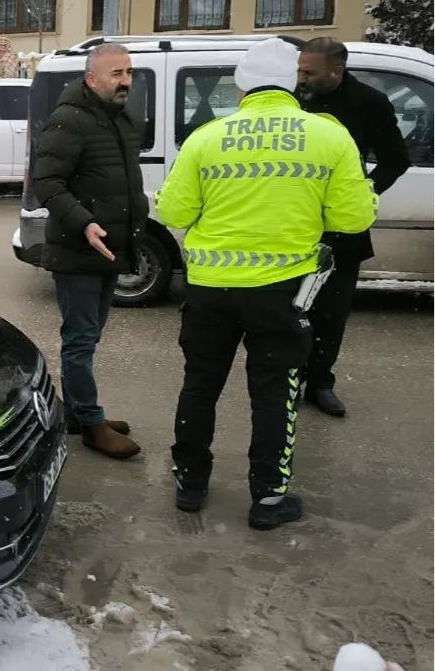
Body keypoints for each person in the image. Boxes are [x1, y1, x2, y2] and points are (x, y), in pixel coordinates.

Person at [157, 37, 378, 530]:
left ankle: (190, 485)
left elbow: (173, 211)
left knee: (200, 386)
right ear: (293, 83)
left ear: (241, 87)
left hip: (211, 290)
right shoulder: (329, 136)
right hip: (282, 293)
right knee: (275, 393)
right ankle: (269, 500)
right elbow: (352, 217)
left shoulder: (207, 137)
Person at [30, 43, 146, 461]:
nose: (125, 81)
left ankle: (79, 413)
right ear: (91, 78)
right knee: (79, 339)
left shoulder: (120, 118)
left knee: (90, 334)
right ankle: (92, 424)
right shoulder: (69, 119)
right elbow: (47, 183)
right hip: (78, 250)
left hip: (109, 248)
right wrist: (84, 222)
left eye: (129, 72)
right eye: (116, 73)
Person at [297, 37, 411, 417]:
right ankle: (289, 380)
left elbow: (396, 159)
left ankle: (321, 383)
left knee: (332, 310)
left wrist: (364, 194)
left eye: (309, 73)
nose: (302, 79)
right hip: (294, 221)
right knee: (291, 309)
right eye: (300, 70)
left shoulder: (369, 104)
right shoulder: (294, 100)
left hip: (344, 228)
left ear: (337, 70)